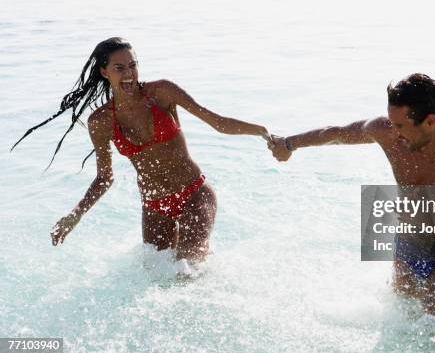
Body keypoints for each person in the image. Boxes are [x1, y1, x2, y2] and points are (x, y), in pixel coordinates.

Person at [268, 73, 435, 319]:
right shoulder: (386, 131)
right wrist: (289, 144)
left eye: (400, 126)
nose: (393, 132)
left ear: (429, 122)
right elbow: (338, 133)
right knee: (402, 324)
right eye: (391, 123)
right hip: (409, 245)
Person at [11, 37, 270, 264]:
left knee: (187, 271)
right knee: (157, 280)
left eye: (133, 65)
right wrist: (75, 215)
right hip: (154, 206)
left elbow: (217, 122)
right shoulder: (101, 121)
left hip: (194, 194)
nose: (129, 74)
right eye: (119, 68)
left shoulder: (161, 93)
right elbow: (104, 177)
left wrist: (262, 131)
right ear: (104, 72)